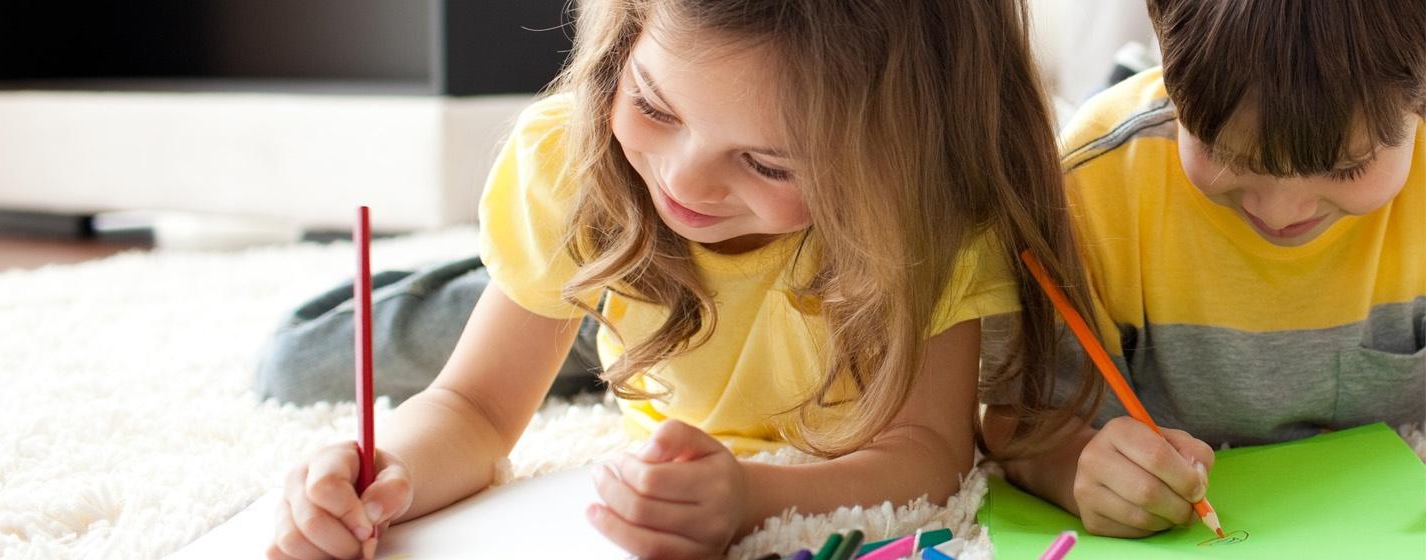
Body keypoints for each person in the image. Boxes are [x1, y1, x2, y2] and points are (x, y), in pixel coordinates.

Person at [265, 0, 1096, 558]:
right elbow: (475, 407)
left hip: (693, 340)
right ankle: (500, 284)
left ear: (898, 162)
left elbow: (929, 455)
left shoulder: (932, 222)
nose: (686, 185)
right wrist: (379, 477)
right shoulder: (580, 163)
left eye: (767, 162)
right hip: (615, 279)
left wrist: (747, 496)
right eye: (656, 108)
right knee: (298, 362)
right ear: (623, 42)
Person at [983, 0, 1426, 539]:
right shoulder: (1083, 198)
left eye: (1345, 167)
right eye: (1228, 155)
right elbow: (1012, 420)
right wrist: (1073, 465)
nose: (1280, 212)